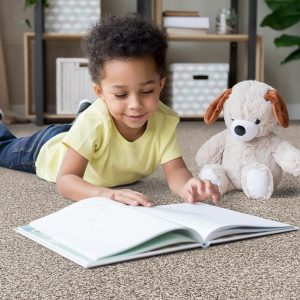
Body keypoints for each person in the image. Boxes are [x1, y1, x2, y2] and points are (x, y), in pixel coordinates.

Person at [0, 14, 220, 206]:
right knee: (4, 148)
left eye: (146, 91)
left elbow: (176, 173)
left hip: (90, 131)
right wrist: (106, 195)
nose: (135, 104)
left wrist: (188, 186)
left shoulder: (164, 120)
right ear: (99, 91)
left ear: (160, 84)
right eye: (121, 95)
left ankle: (83, 116)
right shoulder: (94, 123)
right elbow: (65, 180)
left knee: (93, 125)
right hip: (44, 149)